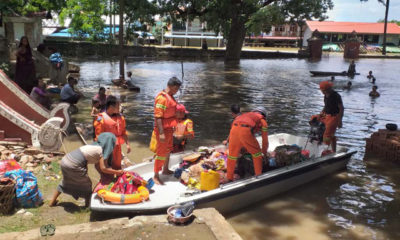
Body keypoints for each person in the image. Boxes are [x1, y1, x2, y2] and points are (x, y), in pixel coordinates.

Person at [49, 133, 124, 207]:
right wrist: (117, 172)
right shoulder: (100, 150)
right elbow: (103, 168)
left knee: (65, 182)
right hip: (74, 164)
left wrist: (103, 176)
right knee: (87, 185)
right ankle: (87, 206)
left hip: (65, 160)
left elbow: (98, 166)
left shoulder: (93, 146)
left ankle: (52, 202)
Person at [226, 106, 269, 181]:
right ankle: (258, 176)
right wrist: (264, 153)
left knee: (232, 156)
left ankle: (229, 178)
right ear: (263, 115)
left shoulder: (245, 115)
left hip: (234, 131)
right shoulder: (262, 121)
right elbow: (264, 141)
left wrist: (228, 141)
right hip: (245, 131)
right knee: (257, 155)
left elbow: (234, 127)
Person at [153, 77, 182, 185]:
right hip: (163, 130)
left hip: (169, 129)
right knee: (161, 153)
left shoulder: (171, 97)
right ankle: (156, 175)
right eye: (177, 89)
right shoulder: (162, 98)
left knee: (169, 150)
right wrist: (161, 133)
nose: (177, 91)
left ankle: (165, 169)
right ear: (173, 87)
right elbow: (158, 117)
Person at [94, 95, 131, 171]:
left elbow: (124, 132)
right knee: (105, 167)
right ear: (111, 107)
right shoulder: (100, 119)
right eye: (118, 106)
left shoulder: (121, 118)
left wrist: (128, 144)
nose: (120, 108)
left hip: (117, 147)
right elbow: (98, 137)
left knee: (117, 166)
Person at [312, 81, 344, 152]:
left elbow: (341, 108)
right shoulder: (326, 95)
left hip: (334, 117)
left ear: (328, 89)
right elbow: (326, 106)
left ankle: (324, 151)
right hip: (326, 116)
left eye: (323, 90)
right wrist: (321, 114)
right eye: (322, 90)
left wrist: (340, 120)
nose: (322, 92)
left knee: (327, 135)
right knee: (314, 120)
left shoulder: (336, 96)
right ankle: (333, 151)